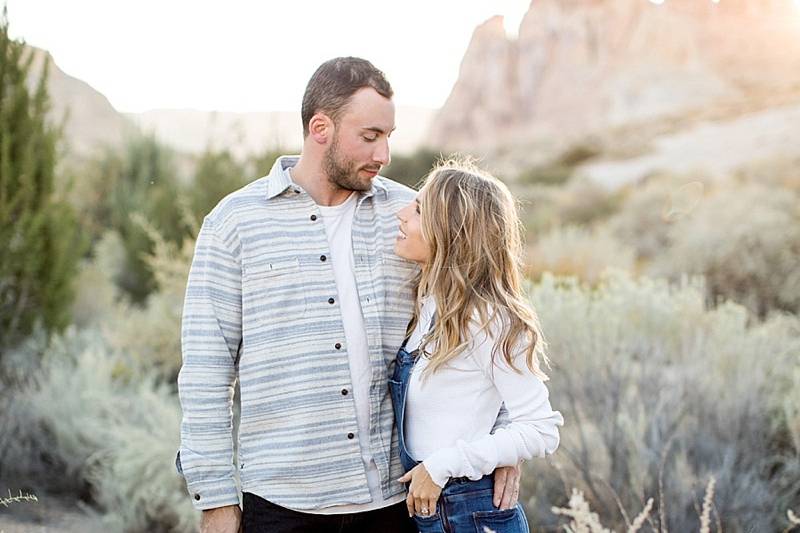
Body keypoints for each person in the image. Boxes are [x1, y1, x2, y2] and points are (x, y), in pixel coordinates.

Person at [176, 57, 522, 533]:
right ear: (321, 128)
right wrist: (214, 499)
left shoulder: (411, 216)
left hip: (396, 502)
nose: (384, 154)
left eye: (389, 136)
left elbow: (484, 310)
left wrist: (504, 442)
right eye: (370, 136)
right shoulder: (234, 224)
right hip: (282, 504)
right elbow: (205, 372)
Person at [390, 159, 564, 532]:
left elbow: (540, 428)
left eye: (418, 209)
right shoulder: (428, 304)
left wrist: (442, 466)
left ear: (451, 230)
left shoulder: (488, 318)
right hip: (430, 513)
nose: (401, 214)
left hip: (469, 515)